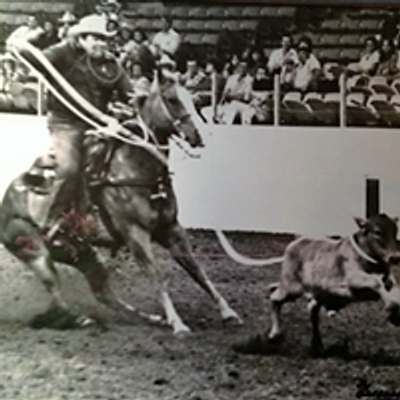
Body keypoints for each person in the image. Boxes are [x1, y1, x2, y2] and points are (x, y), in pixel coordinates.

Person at [42, 14, 133, 227]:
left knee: (124, 164)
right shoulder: (64, 53)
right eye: (95, 38)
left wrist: (128, 109)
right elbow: (35, 58)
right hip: (65, 124)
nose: (101, 43)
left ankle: (109, 217)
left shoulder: (112, 66)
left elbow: (130, 94)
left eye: (104, 39)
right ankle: (48, 221)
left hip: (99, 126)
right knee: (69, 168)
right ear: (81, 39)